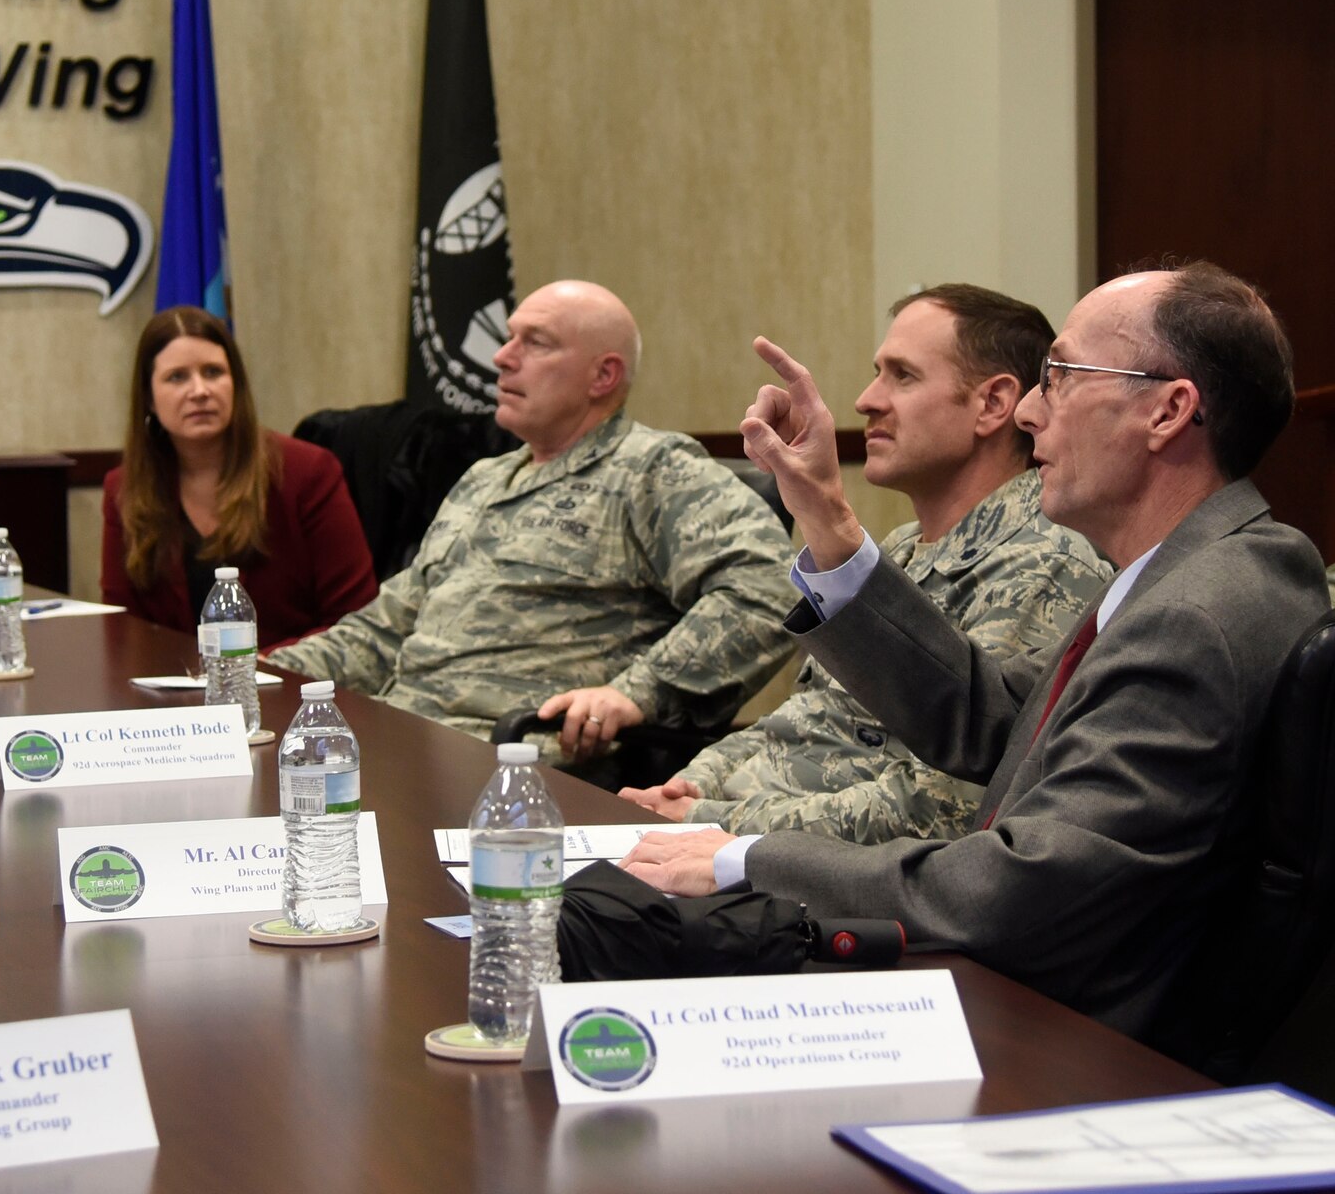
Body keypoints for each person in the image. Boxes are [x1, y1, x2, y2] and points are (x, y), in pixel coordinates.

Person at [619, 262, 1327, 1042]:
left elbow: (1019, 889)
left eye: (1059, 375)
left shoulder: (1199, 613)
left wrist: (745, 860)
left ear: (1168, 411)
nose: (1029, 409)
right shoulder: (1203, 568)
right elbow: (995, 716)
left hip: (1065, 1043)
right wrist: (823, 509)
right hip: (1035, 997)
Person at [619, 285, 1109, 842]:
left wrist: (708, 821)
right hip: (729, 840)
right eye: (879, 372)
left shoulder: (1046, 561)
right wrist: (691, 785)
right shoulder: (897, 549)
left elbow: (945, 810)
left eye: (903, 375)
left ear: (993, 404)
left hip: (825, 891)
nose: (866, 400)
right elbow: (802, 722)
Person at [269, 280, 795, 763]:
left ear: (603, 375)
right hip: (398, 735)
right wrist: (258, 676)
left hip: (509, 760)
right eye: (508, 338)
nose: (501, 357)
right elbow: (386, 629)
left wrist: (636, 692)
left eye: (535, 342)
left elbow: (773, 590)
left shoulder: (651, 471)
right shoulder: (485, 478)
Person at [101, 306, 377, 651]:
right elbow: (122, 630)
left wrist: (247, 669)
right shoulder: (123, 490)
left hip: (291, 689)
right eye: (177, 377)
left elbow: (357, 621)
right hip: (173, 695)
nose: (200, 390)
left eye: (213, 372)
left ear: (236, 385)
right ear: (149, 399)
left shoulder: (307, 473)